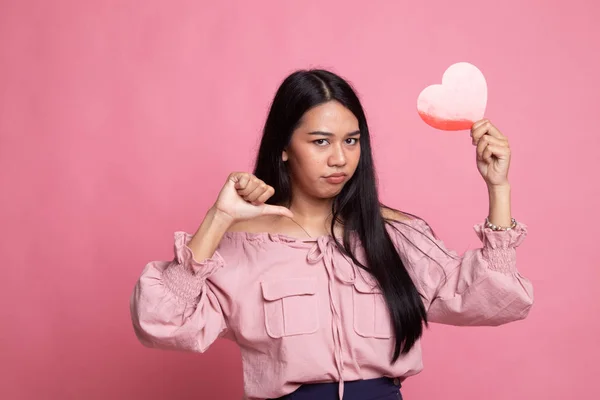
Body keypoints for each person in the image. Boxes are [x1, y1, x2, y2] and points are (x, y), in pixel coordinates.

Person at [129, 69, 534, 400]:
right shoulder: (245, 244)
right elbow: (161, 323)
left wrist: (498, 188)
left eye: (351, 141)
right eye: (320, 141)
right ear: (284, 146)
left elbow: (492, 300)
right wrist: (219, 218)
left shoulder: (392, 234)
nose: (340, 158)